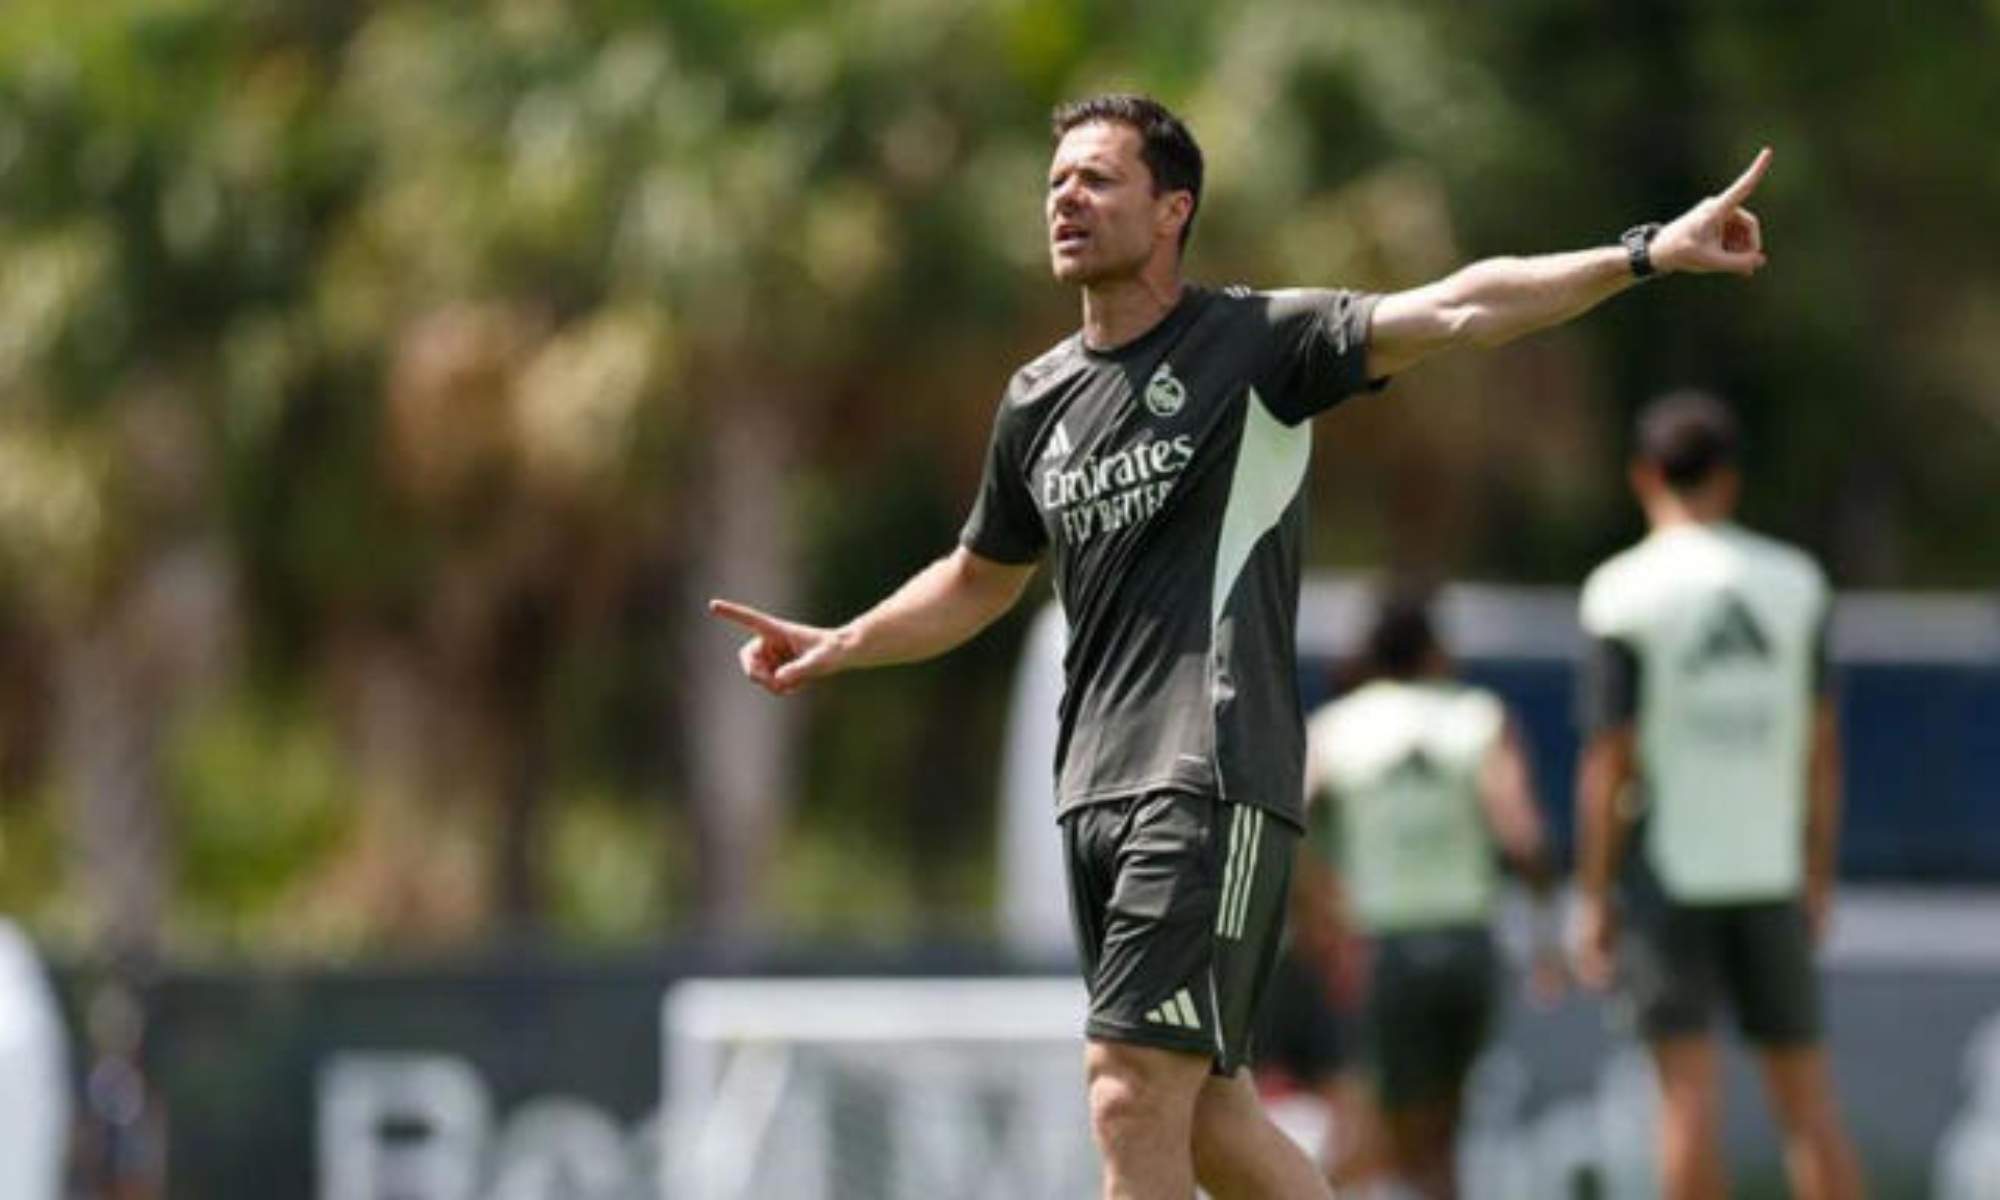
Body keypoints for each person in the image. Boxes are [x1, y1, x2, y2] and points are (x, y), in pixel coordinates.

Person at [710, 92, 1774, 1199]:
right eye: (1054, 181)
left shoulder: (1255, 344)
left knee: (1125, 1088)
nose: (1063, 197)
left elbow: (1461, 306)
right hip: (1090, 794)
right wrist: (842, 641)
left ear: (1171, 209)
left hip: (1207, 775)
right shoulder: (1036, 401)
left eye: (1095, 178)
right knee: (1212, 1123)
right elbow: (978, 579)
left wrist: (1645, 252)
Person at [1569, 390, 1866, 1200]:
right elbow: (1823, 747)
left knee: (1687, 1101)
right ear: (1729, 480)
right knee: (1807, 1103)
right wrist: (1816, 871)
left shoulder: (1622, 592)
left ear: (1643, 476)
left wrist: (1592, 894)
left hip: (1671, 880)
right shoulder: (1796, 584)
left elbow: (1609, 760)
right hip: (1769, 872)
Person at [1298, 590, 1559, 1199]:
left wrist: (1318, 913)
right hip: (1467, 945)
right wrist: (1548, 936)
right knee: (1438, 1132)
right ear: (1435, 651)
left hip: (1383, 947)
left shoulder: (1339, 728)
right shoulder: (1477, 717)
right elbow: (1522, 834)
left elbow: (1290, 828)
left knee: (1376, 1131)